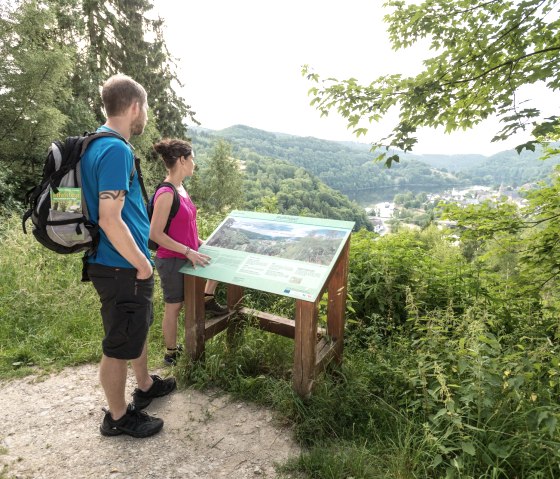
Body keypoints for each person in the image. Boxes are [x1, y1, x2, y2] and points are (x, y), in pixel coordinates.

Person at [81, 74, 176, 438]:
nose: (146, 116)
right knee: (119, 342)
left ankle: (146, 385)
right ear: (135, 106)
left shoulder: (93, 143)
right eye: (146, 108)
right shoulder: (116, 149)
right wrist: (140, 262)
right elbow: (109, 217)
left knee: (133, 329)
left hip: (110, 261)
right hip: (121, 265)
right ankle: (118, 417)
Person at [150, 139, 228, 365]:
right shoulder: (166, 193)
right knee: (174, 307)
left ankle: (208, 297)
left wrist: (203, 244)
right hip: (172, 259)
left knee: (218, 259)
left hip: (187, 254)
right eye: (192, 158)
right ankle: (171, 353)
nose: (194, 162)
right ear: (182, 160)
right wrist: (188, 251)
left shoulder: (181, 189)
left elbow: (185, 227)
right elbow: (155, 233)